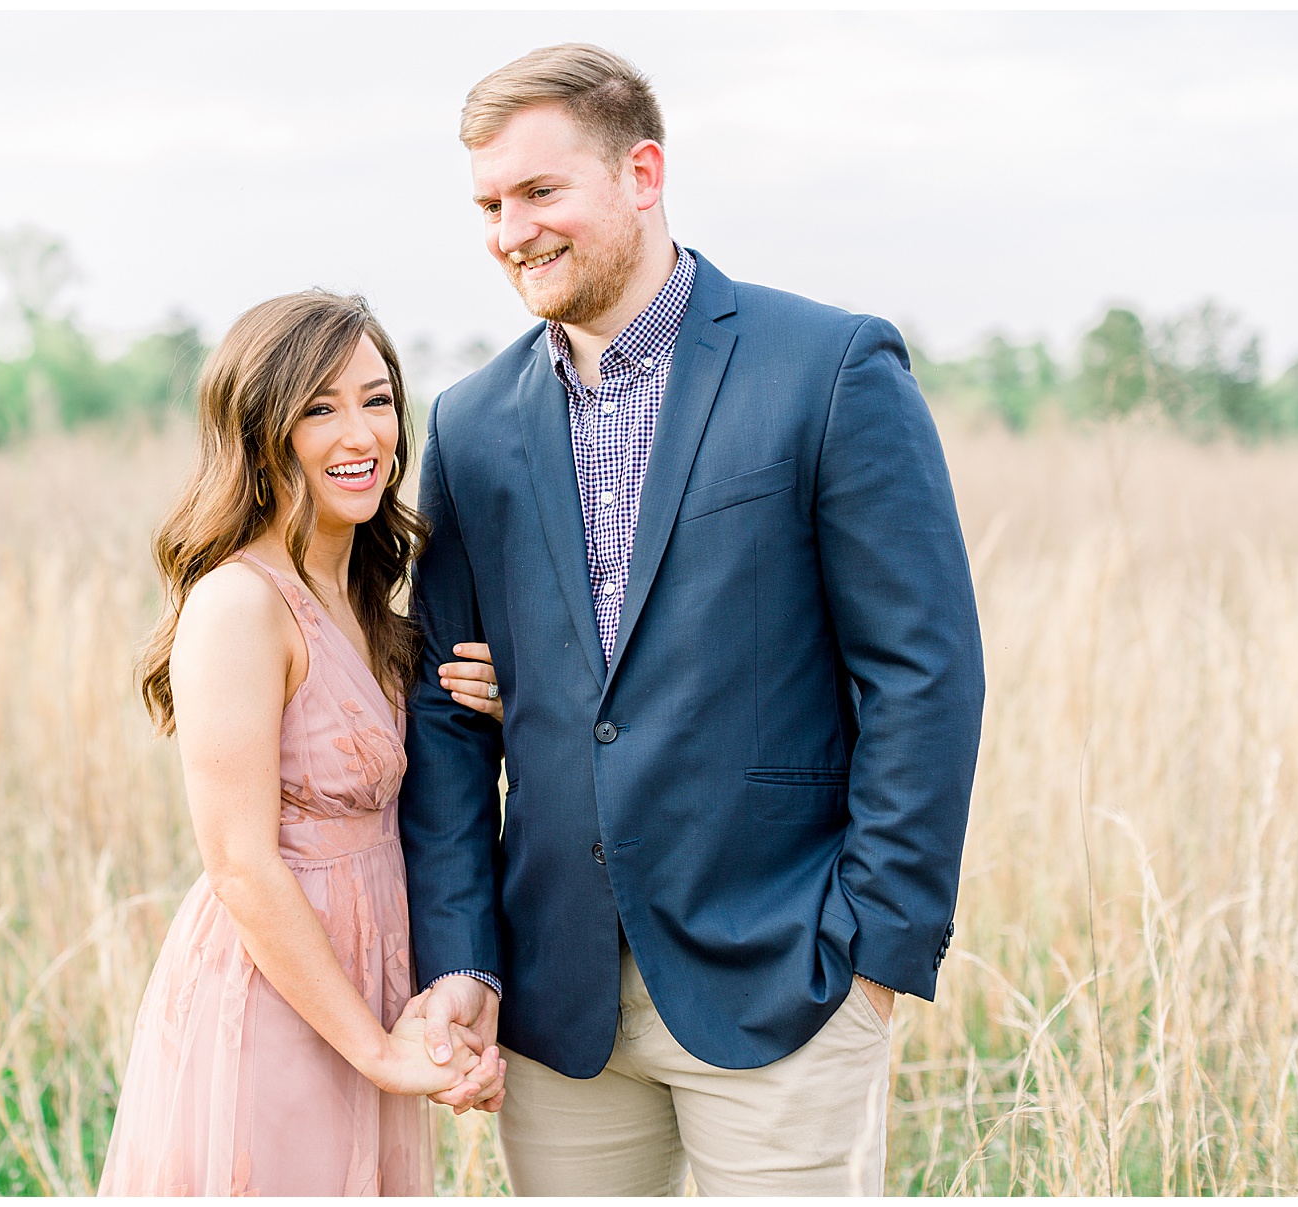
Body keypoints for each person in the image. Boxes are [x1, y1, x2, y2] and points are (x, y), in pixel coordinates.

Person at [401, 44, 986, 1195]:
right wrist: (465, 949)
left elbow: (925, 673)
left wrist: (875, 950)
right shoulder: (469, 424)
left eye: (539, 192)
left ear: (643, 172)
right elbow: (449, 719)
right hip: (557, 1002)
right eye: (488, 204)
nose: (511, 230)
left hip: (786, 978)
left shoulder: (828, 366)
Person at [97, 291, 506, 1196]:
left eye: (377, 398)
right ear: (260, 432)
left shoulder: (366, 596)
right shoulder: (240, 604)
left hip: (375, 982)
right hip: (277, 999)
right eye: (319, 408)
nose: (361, 433)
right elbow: (241, 862)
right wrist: (377, 1050)